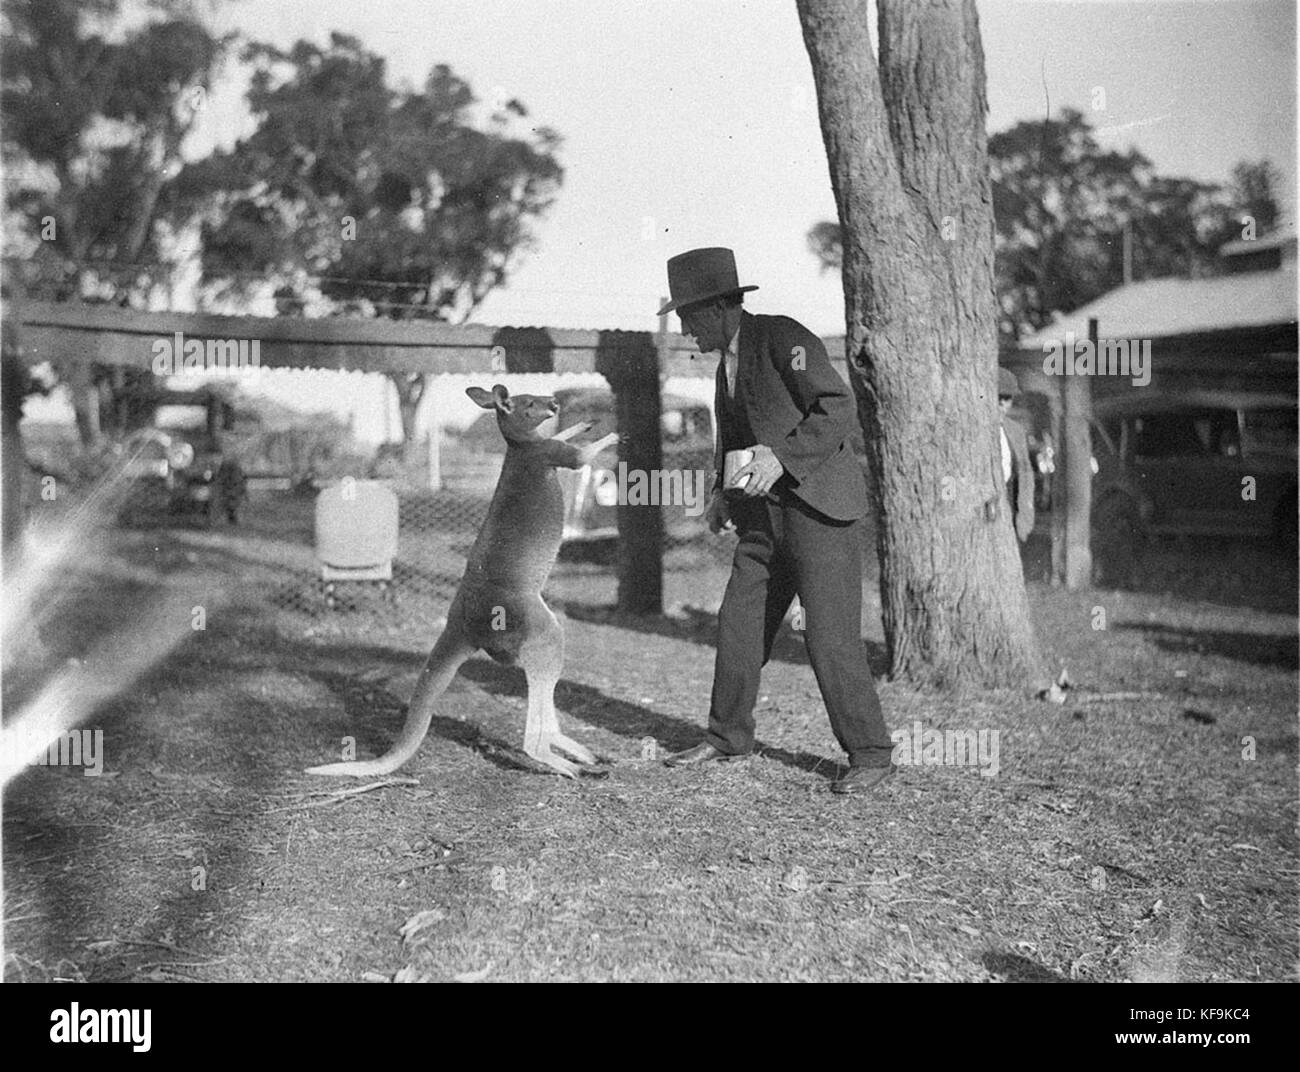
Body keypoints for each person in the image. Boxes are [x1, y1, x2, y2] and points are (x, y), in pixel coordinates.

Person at [658, 247, 894, 795]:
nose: (687, 332)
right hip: (762, 522)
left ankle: (871, 753)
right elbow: (736, 438)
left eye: (689, 319)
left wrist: (780, 457)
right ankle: (727, 737)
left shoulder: (783, 337)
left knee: (829, 639)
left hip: (819, 514)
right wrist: (720, 493)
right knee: (739, 623)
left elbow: (837, 406)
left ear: (719, 308)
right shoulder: (726, 365)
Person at [997, 368, 1035, 543]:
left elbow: (1026, 473)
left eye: (1008, 398)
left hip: (1011, 511)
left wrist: (1025, 516)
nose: (1003, 404)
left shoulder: (1016, 430)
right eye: (999, 397)